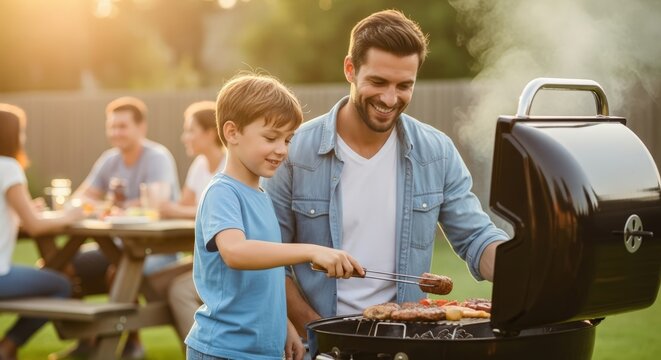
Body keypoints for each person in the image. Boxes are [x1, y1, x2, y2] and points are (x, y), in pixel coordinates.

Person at [262, 9, 509, 340]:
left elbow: (476, 238)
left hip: (406, 340)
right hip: (320, 338)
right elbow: (268, 259)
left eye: (404, 85)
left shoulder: (436, 152)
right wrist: (319, 332)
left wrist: (526, 268)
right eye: (378, 82)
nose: (390, 98)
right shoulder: (293, 151)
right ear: (350, 69)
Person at [185, 73, 364, 360]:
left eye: (288, 139)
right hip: (225, 350)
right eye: (270, 138)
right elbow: (235, 252)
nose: (281, 150)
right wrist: (310, 251)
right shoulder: (222, 192)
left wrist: (286, 325)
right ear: (232, 133)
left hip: (262, 350)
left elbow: (267, 274)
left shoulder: (262, 195)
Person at [52, 96, 181, 360]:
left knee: (118, 271)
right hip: (116, 246)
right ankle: (86, 340)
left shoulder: (157, 158)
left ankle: (134, 343)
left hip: (155, 250)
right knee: (59, 265)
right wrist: (98, 205)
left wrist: (107, 206)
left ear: (141, 127)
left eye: (122, 126)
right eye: (111, 127)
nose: (115, 133)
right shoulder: (109, 160)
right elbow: (82, 197)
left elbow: (156, 203)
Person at [0, 104, 85, 360]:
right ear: (12, 135)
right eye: (22, 132)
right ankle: (8, 346)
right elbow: (36, 226)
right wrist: (71, 215)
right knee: (61, 285)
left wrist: (23, 211)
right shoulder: (8, 166)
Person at [156, 100, 226, 341]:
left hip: (223, 259)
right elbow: (186, 205)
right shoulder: (199, 165)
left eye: (190, 131)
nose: (185, 137)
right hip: (200, 255)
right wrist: (171, 208)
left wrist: (173, 210)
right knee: (154, 282)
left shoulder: (230, 165)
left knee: (177, 290)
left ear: (209, 133)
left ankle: (203, 349)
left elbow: (207, 211)